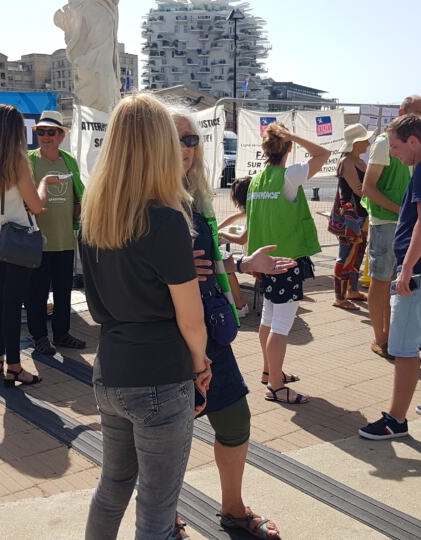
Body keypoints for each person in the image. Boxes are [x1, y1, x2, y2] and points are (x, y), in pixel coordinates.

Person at [80, 94, 211, 540]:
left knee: (112, 487)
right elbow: (191, 320)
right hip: (160, 375)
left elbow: (96, 301)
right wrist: (201, 363)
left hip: (111, 369)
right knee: (157, 508)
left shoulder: (94, 216)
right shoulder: (166, 219)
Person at [171, 108, 288, 539]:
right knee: (171, 437)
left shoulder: (193, 197)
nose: (186, 148)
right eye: (177, 139)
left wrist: (242, 262)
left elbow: (206, 259)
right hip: (167, 338)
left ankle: (233, 508)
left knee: (235, 419)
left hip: (210, 332)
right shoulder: (144, 200)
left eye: (192, 140)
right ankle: (165, 515)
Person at [358, 114, 421, 440]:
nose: (395, 154)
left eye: (397, 146)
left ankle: (395, 420)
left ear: (413, 141)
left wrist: (409, 267)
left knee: (403, 347)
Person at [245, 122, 330, 405]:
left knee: (269, 319)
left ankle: (271, 372)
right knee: (280, 325)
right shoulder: (289, 176)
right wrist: (293, 135)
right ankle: (276, 386)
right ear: (288, 147)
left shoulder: (257, 180)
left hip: (266, 260)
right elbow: (323, 154)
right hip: (286, 261)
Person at [0, 104, 51, 387]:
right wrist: (45, 184)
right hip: (17, 240)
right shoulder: (16, 162)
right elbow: (37, 206)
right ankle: (15, 367)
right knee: (14, 305)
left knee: (3, 303)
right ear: (15, 131)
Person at [361, 95, 421, 360]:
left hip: (407, 224)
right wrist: (402, 212)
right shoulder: (383, 144)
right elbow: (368, 187)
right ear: (402, 112)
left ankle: (396, 334)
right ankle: (381, 338)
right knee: (381, 281)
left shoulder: (418, 145)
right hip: (387, 224)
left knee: (403, 282)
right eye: (417, 112)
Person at [25, 110, 87, 355]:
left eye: (51, 132)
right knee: (37, 294)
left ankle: (62, 334)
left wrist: (78, 211)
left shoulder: (68, 160)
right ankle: (39, 337)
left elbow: (79, 192)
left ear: (61, 135)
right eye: (41, 132)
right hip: (36, 241)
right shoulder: (28, 160)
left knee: (63, 292)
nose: (46, 136)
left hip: (64, 239)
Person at [331, 123, 372, 310]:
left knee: (358, 253)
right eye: (365, 140)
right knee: (345, 255)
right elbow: (358, 189)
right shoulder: (347, 161)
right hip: (350, 217)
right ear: (356, 143)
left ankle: (352, 290)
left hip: (360, 215)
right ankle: (339, 297)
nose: (369, 143)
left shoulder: (359, 161)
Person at [218, 177, 253, 317]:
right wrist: (218, 228)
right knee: (224, 261)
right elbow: (237, 215)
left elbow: (241, 240)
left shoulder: (254, 213)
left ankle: (239, 305)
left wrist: (220, 232)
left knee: (225, 264)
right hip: (257, 254)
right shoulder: (255, 207)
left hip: (255, 258)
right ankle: (239, 303)